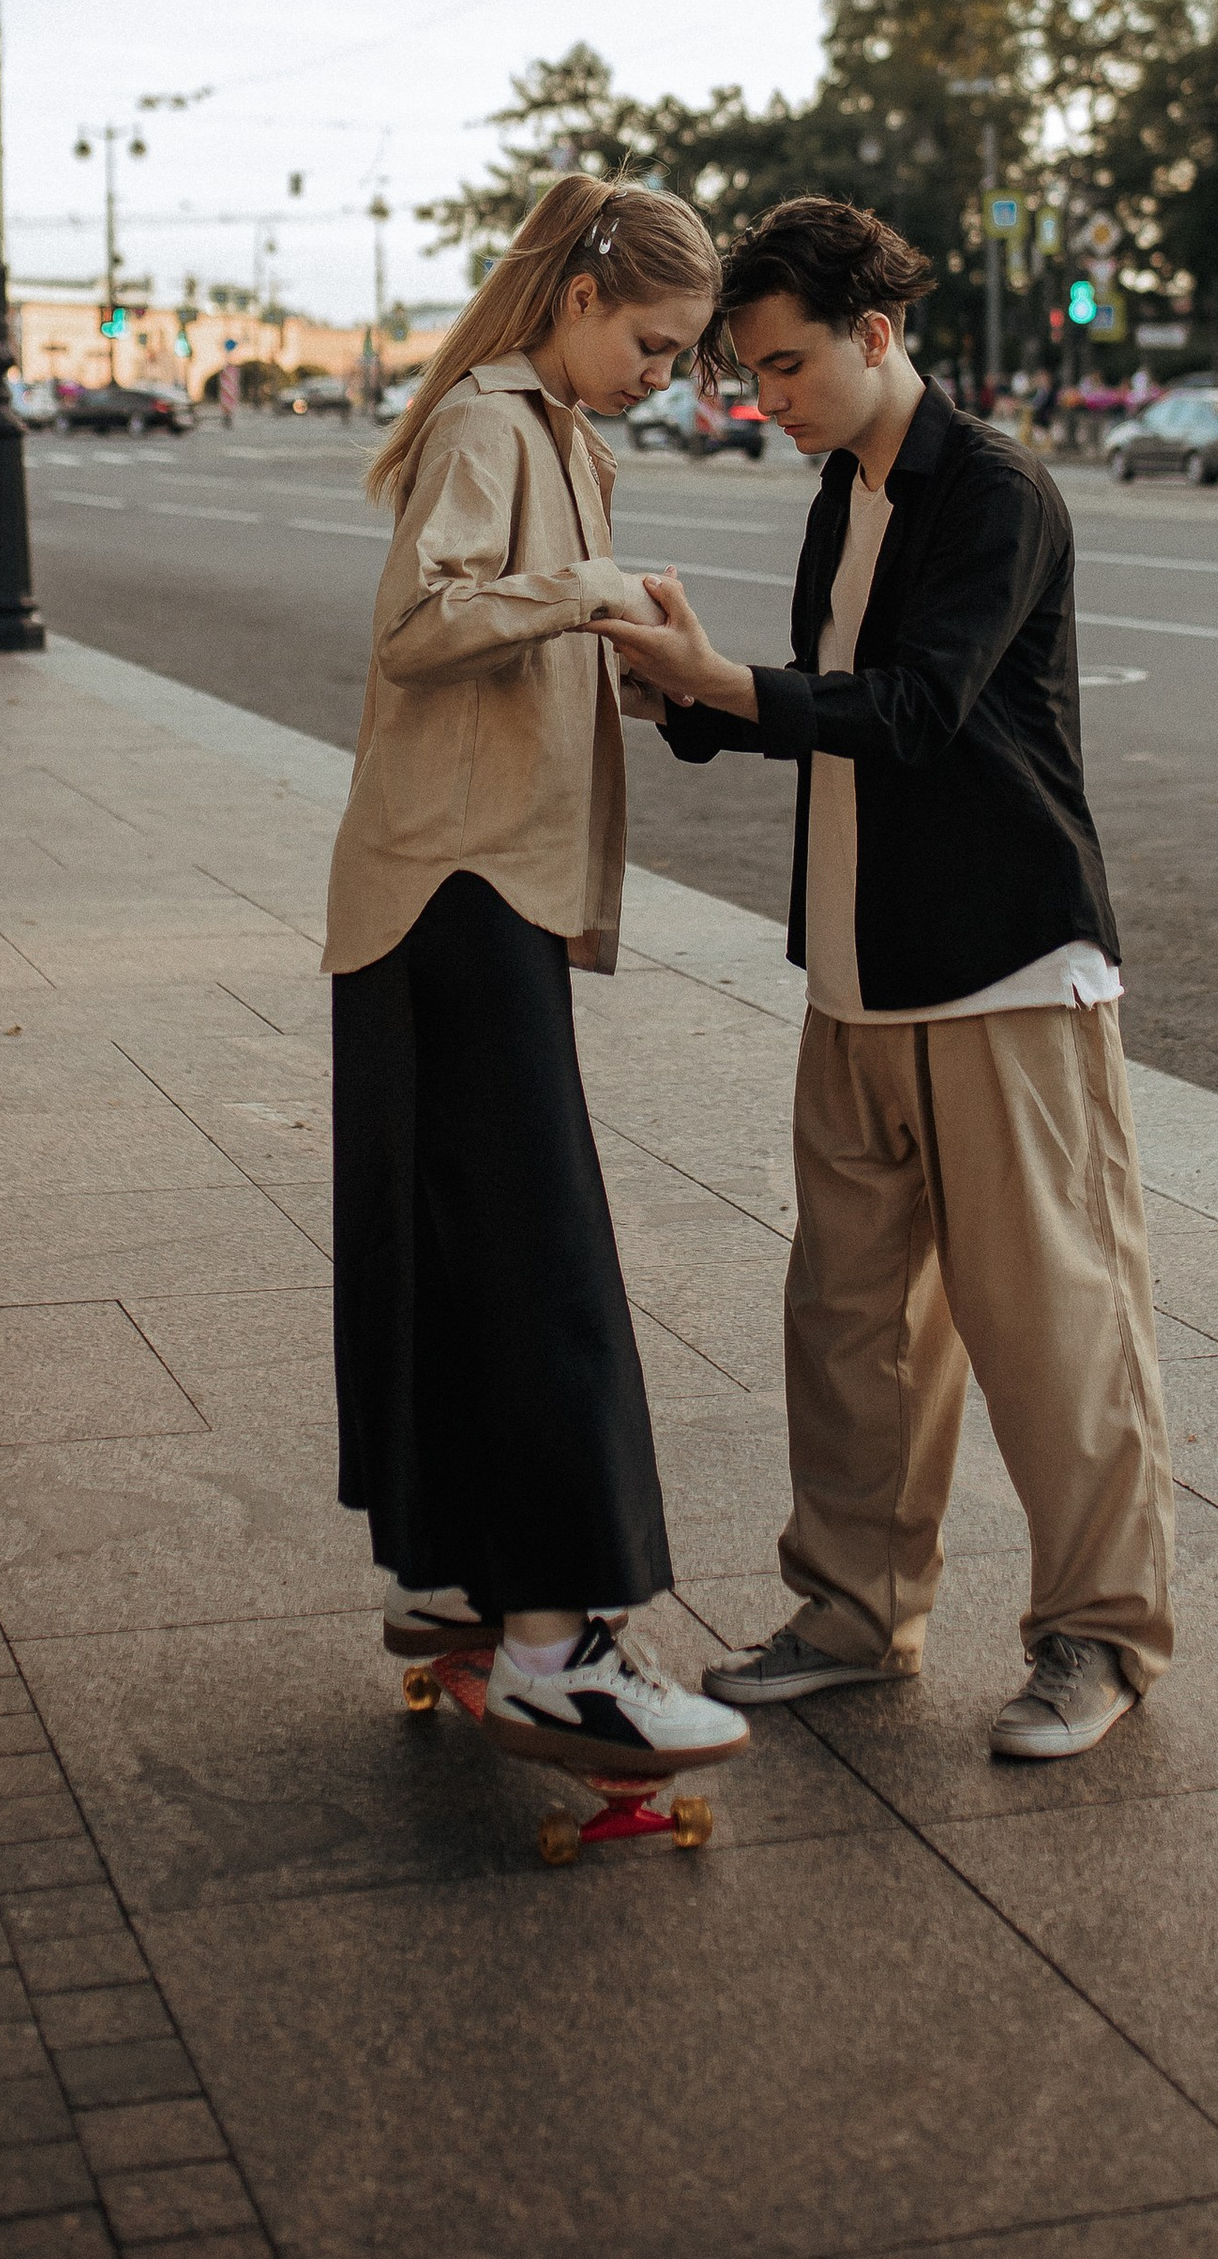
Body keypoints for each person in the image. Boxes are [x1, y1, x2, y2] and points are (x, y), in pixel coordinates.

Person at [596, 196, 1174, 1763]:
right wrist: (687, 701)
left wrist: (737, 687)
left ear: (875, 331)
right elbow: (834, 714)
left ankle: (1098, 1641)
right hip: (856, 975)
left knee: (1051, 1325)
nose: (761, 399)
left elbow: (914, 711)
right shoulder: (841, 490)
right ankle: (855, 1616)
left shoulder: (993, 490)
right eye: (745, 375)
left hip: (1001, 973)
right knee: (848, 1328)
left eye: (784, 367)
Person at [323, 174, 750, 1790]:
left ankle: (450, 1577)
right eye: (653, 341)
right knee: (537, 1257)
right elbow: (422, 625)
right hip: (455, 887)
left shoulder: (563, 436)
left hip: (469, 883)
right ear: (578, 298)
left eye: (684, 354)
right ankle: (558, 1653)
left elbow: (506, 657)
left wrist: (636, 671)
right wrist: (589, 594)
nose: (665, 374)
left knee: (459, 1239)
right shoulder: (494, 427)